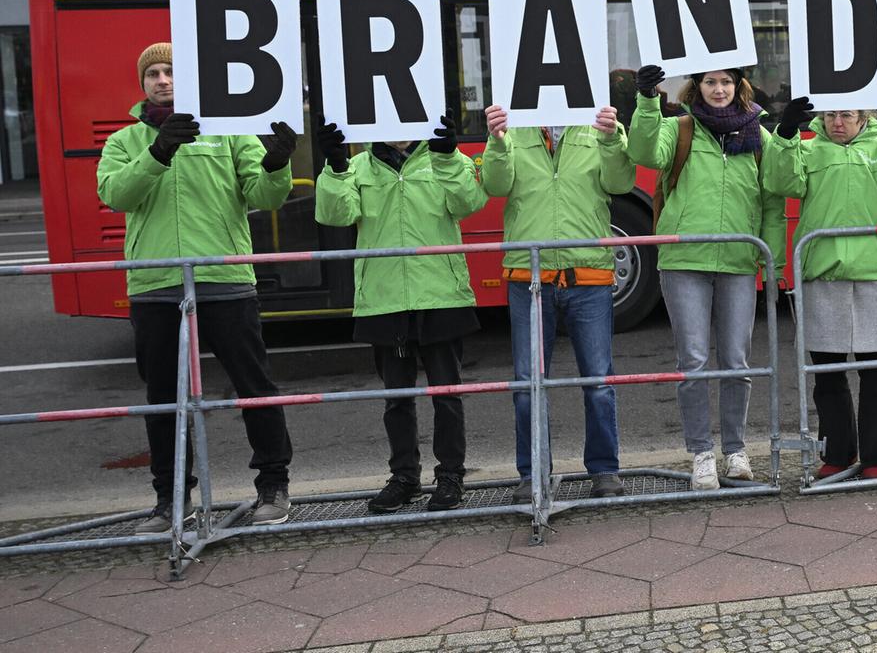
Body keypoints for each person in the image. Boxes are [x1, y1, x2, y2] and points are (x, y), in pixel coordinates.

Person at [96, 42, 297, 531]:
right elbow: (114, 193)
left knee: (254, 387)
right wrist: (158, 151)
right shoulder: (124, 140)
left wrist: (277, 162)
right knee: (165, 398)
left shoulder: (228, 131)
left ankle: (274, 487)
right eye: (153, 74)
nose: (162, 80)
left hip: (225, 278)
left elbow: (266, 195)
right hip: (156, 283)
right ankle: (171, 501)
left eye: (171, 72)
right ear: (142, 84)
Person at [314, 113, 484, 513]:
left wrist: (447, 159)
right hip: (384, 298)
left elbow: (470, 203)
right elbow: (334, 216)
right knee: (396, 399)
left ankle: (450, 476)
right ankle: (404, 477)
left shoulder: (446, 157)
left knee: (446, 395)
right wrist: (336, 166)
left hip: (440, 294)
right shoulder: (356, 166)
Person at [627, 65, 785, 490]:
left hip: (737, 261)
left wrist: (773, 260)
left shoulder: (758, 136)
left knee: (736, 362)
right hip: (683, 261)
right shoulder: (678, 128)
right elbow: (643, 152)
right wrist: (646, 100)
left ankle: (735, 451)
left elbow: (772, 201)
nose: (720, 89)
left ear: (739, 87)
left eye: (727, 82)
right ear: (698, 87)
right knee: (692, 363)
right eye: (711, 82)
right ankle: (701, 454)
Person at [766, 91, 877, 479]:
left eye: (847, 114)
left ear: (864, 117)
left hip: (874, 272)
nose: (837, 121)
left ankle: (875, 458)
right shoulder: (809, 149)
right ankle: (836, 454)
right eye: (831, 114)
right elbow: (779, 181)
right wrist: (786, 133)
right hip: (825, 273)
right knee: (828, 376)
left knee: (876, 374)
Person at [480, 100, 635, 502]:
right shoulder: (513, 128)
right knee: (528, 384)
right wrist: (497, 141)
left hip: (588, 275)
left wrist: (613, 137)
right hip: (529, 277)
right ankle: (533, 474)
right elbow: (495, 186)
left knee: (598, 381)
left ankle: (604, 470)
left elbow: (620, 182)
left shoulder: (596, 127)